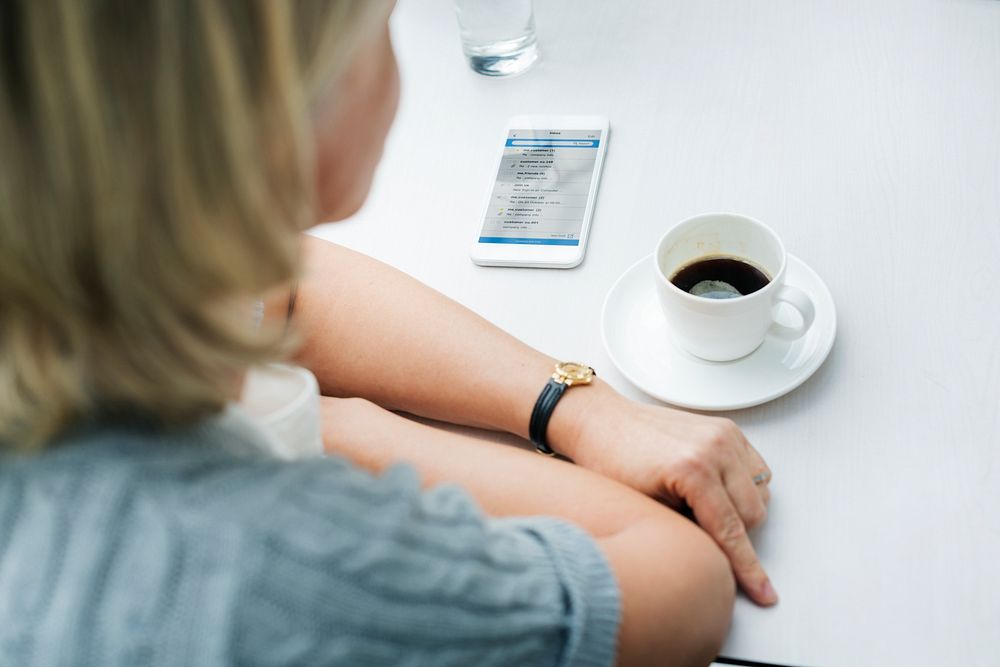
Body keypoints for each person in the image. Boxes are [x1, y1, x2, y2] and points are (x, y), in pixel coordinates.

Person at [0, 1, 774, 665]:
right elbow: (682, 585)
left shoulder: (80, 242)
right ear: (281, 116)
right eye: (382, 22)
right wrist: (348, 434)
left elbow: (281, 288)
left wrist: (579, 407)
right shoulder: (291, 567)